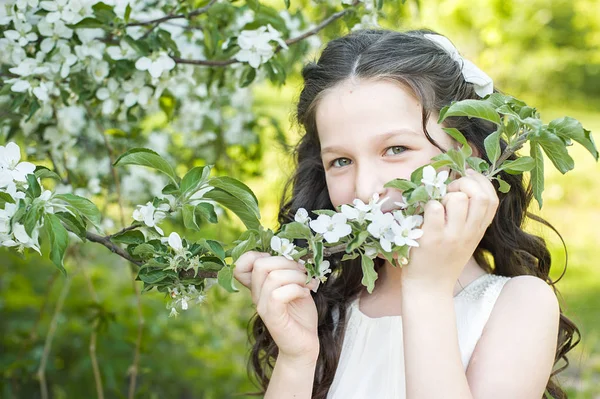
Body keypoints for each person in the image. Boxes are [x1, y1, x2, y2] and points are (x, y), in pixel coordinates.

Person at [233, 28, 579, 398]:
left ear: (471, 159)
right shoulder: (327, 309)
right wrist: (297, 356)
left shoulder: (518, 305)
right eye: (341, 160)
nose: (365, 189)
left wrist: (427, 288)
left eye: (396, 149)